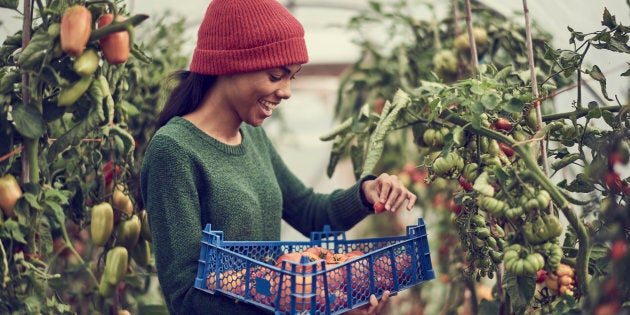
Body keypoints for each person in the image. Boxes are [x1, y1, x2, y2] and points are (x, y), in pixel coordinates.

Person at [139, 0, 417, 314]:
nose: (285, 91)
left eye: (291, 78)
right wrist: (306, 303)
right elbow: (186, 297)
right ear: (230, 65)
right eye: (275, 76)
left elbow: (311, 213)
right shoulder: (173, 151)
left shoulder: (253, 137)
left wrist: (366, 194)